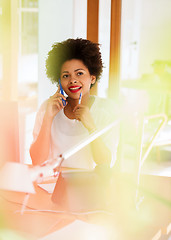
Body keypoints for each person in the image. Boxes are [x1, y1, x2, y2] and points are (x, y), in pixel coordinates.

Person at [30, 38, 118, 169]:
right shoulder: (47, 108)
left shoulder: (107, 109)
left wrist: (91, 127)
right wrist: (48, 118)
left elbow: (105, 161)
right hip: (53, 185)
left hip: (90, 186)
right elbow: (37, 161)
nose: (73, 80)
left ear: (92, 78)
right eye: (66, 76)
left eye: (79, 74)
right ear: (58, 80)